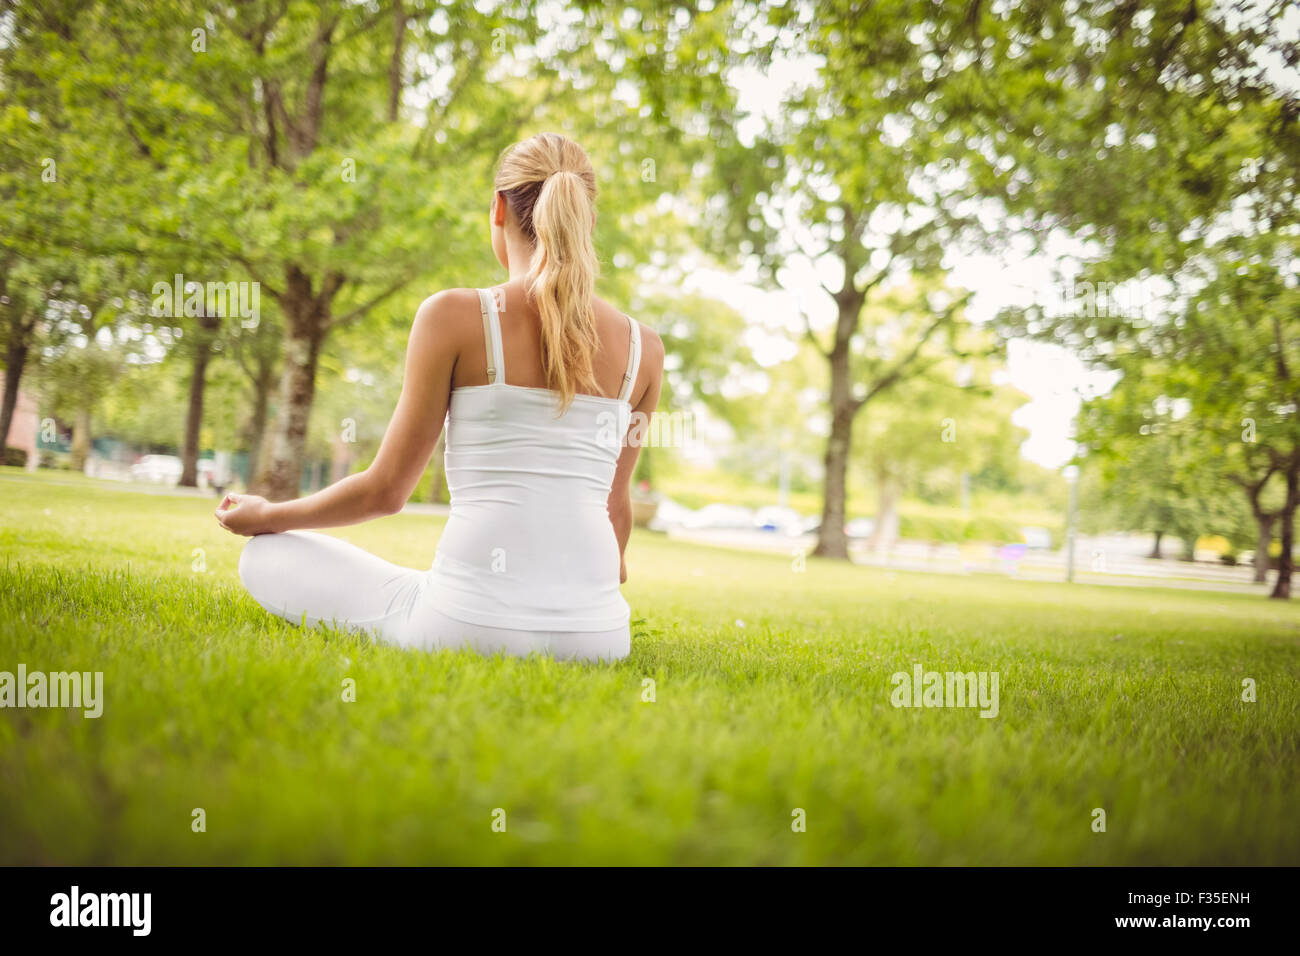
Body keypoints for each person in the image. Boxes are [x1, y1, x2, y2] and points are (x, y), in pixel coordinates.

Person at [216, 132, 663, 662]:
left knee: (264, 557)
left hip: (465, 623)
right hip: (601, 639)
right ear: (587, 219)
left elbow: (384, 492)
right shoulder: (645, 348)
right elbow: (616, 507)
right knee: (427, 584)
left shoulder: (451, 316)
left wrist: (268, 514)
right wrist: (591, 585)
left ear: (497, 209)